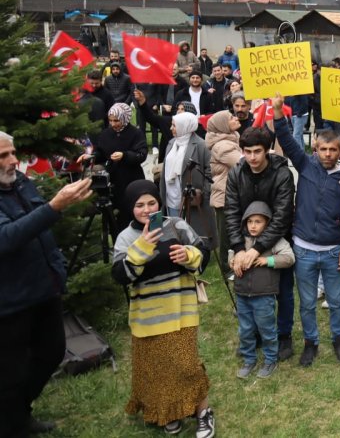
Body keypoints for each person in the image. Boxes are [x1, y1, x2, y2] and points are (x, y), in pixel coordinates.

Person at [0, 133, 92, 436]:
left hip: (44, 286)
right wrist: (55, 205)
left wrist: (57, 266)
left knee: (52, 351)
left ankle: (17, 412)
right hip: (11, 298)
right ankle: (14, 422)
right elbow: (7, 238)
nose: (13, 161)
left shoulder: (21, 183)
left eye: (12, 153)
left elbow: (40, 223)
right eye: (3, 156)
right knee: (11, 371)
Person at [111, 180, 215, 437]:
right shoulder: (126, 237)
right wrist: (143, 247)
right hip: (148, 316)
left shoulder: (176, 225)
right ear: (130, 208)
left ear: (159, 202)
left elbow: (203, 253)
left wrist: (189, 255)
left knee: (186, 365)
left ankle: (203, 412)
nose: (147, 210)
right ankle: (169, 412)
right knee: (156, 369)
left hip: (181, 311)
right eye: (139, 205)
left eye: (151, 203)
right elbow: (121, 275)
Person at [273, 97, 340, 366]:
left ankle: (339, 339)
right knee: (308, 302)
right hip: (304, 249)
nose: (327, 154)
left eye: (333, 150)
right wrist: (278, 111)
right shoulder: (306, 165)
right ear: (315, 149)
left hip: (334, 250)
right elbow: (287, 140)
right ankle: (311, 342)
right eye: (323, 149)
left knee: (335, 301)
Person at [224, 127, 296, 361]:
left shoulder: (282, 174)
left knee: (283, 290)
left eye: (257, 152)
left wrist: (257, 248)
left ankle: (283, 335)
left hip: (278, 237)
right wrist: (239, 248)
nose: (252, 157)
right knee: (250, 290)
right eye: (247, 152)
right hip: (246, 238)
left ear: (267, 151)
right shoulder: (236, 173)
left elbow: (283, 215)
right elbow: (232, 212)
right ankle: (253, 333)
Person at [231, 201, 295, 379]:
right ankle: (249, 359)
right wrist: (234, 260)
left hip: (264, 295)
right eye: (250, 221)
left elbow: (289, 258)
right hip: (242, 294)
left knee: (267, 329)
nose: (253, 225)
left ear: (267, 222)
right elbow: (231, 253)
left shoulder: (275, 241)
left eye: (258, 221)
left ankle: (270, 360)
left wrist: (268, 261)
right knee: (245, 330)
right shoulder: (242, 241)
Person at [84, 102, 148, 228]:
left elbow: (141, 154)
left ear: (125, 118)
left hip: (131, 179)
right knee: (114, 216)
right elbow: (101, 152)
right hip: (113, 180)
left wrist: (124, 155)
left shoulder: (136, 133)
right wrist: (91, 156)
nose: (113, 124)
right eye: (111, 120)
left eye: (116, 120)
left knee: (130, 212)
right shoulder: (106, 133)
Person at [160, 112, 214, 244]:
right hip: (171, 195)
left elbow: (210, 170)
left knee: (192, 232)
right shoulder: (172, 143)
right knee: (174, 229)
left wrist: (204, 192)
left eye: (174, 125)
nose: (171, 128)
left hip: (191, 197)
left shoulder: (201, 145)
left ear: (185, 126)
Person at [205, 110, 242, 275]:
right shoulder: (222, 146)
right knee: (226, 235)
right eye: (231, 118)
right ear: (222, 125)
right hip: (224, 196)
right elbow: (241, 163)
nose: (235, 118)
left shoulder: (230, 138)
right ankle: (227, 270)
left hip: (231, 195)